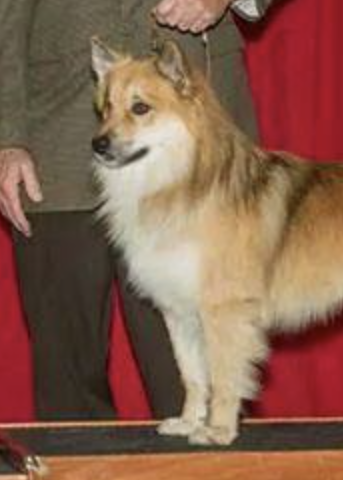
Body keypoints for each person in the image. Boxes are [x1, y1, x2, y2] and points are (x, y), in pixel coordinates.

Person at [0, 0, 273, 420]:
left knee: (207, 377)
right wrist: (7, 137)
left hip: (194, 127)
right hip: (57, 128)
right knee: (66, 386)